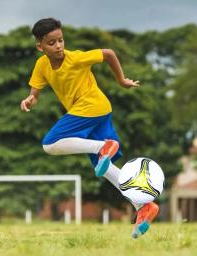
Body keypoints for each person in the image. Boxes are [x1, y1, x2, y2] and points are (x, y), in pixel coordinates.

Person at [20, 18, 159, 238]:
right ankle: (143, 205)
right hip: (99, 112)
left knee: (50, 143)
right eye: (52, 42)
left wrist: (121, 80)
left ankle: (103, 146)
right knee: (106, 169)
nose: (59, 46)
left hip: (91, 107)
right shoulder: (42, 65)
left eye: (61, 40)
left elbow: (108, 53)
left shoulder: (75, 58)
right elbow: (34, 93)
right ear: (40, 46)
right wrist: (29, 100)